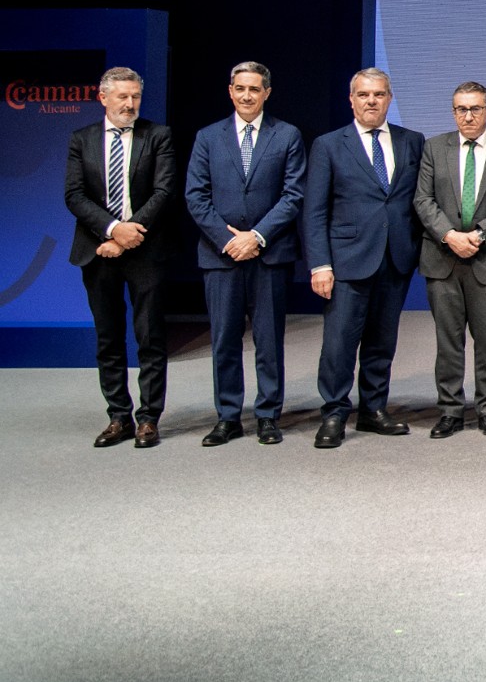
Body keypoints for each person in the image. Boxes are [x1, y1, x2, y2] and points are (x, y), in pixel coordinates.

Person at [301, 68, 425, 449]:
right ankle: (334, 413)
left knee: (382, 342)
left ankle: (373, 409)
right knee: (339, 343)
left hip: (395, 258)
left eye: (379, 94)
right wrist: (320, 264)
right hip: (346, 261)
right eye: (364, 94)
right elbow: (314, 211)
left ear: (389, 99)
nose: (372, 101)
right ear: (351, 99)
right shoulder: (328, 145)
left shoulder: (412, 141)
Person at [183, 61, 305, 446]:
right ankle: (228, 417)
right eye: (240, 88)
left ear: (267, 93)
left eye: (254, 89)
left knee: (269, 340)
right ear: (230, 91)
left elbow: (293, 195)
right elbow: (195, 196)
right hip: (221, 256)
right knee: (224, 340)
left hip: (269, 254)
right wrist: (228, 239)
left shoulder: (287, 135)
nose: (247, 96)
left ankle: (268, 415)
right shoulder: (208, 137)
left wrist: (257, 236)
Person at [64, 67, 175, 449]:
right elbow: (74, 195)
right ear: (103, 98)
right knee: (108, 338)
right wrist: (113, 230)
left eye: (135, 97)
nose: (130, 104)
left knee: (150, 337)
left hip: (145, 249)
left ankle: (148, 419)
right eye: (123, 97)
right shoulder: (81, 139)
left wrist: (127, 236)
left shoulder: (157, 135)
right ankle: (118, 417)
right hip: (98, 250)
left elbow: (163, 192)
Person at [413, 81, 486, 439]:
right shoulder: (434, 148)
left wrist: (478, 235)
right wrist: (450, 235)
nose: (468, 116)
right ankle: (450, 411)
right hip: (442, 257)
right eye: (461, 109)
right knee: (448, 342)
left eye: (476, 108)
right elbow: (422, 200)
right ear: (453, 112)